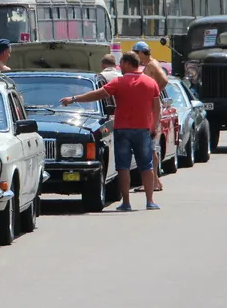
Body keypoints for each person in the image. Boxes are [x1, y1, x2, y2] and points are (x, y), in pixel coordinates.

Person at [59, 51, 162, 211]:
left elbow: (97, 94)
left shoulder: (119, 82)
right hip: (143, 129)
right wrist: (153, 127)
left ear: (128, 63)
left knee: (123, 166)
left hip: (122, 130)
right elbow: (157, 108)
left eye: (122, 63)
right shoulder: (150, 83)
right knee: (146, 166)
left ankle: (126, 202)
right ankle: (150, 201)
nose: (120, 66)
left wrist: (74, 99)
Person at [133, 41, 169, 192]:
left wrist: (153, 93)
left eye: (136, 53)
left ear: (141, 53)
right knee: (150, 146)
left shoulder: (152, 65)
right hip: (151, 106)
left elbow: (164, 80)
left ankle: (152, 182)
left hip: (152, 108)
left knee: (150, 145)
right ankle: (155, 181)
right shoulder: (149, 65)